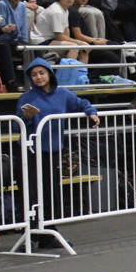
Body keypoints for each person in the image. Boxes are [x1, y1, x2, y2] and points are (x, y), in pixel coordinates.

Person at [16, 58, 100, 249]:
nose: (38, 77)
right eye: (34, 74)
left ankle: (48, 234)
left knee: (50, 193)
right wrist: (26, 118)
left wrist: (91, 111)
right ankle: (29, 235)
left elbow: (81, 102)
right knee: (30, 194)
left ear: (49, 74)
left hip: (52, 151)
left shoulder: (63, 94)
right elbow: (16, 124)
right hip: (30, 152)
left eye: (41, 73)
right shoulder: (27, 97)